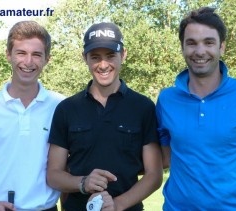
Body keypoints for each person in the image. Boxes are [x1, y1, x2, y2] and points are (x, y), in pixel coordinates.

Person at [47, 22, 163, 211]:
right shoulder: (66, 109)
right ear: (85, 58)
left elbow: (154, 175)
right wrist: (83, 182)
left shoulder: (143, 107)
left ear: (123, 54)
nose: (103, 65)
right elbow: (53, 174)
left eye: (110, 56)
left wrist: (117, 205)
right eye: (95, 57)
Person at [156, 7, 236, 210]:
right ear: (183, 48)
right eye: (191, 43)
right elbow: (166, 157)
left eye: (209, 42)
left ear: (222, 47)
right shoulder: (166, 99)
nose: (200, 51)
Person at [0, 21, 65, 211]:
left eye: (36, 54)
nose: (28, 62)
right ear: (8, 55)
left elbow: (67, 166)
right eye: (21, 53)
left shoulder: (61, 106)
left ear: (47, 59)